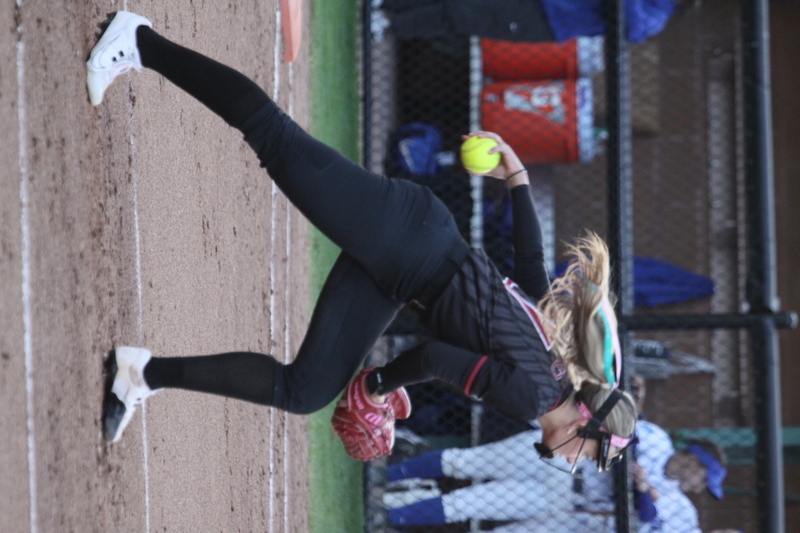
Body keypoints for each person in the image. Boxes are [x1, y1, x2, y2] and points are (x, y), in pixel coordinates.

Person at [88, 11, 637, 471]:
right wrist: (377, 384)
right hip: (407, 240)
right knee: (276, 140)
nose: (577, 462)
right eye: (588, 452)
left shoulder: (554, 370)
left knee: (303, 391)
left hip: (404, 268)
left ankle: (140, 374)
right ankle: (139, 42)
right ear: (583, 422)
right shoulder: (535, 395)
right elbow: (438, 358)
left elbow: (533, 268)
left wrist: (518, 178)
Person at [383, 420, 726, 528]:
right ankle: (384, 475)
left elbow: (643, 515)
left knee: (466, 504)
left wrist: (637, 487)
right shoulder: (658, 439)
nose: (698, 488)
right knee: (464, 462)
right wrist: (633, 476)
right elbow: (617, 437)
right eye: (702, 479)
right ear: (695, 462)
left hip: (561, 498)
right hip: (560, 455)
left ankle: (386, 517)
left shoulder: (670, 495)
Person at [371, 0, 679, 44]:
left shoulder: (658, 15)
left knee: (463, 15)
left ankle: (387, 26)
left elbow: (632, 26)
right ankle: (386, 3)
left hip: (546, 19)